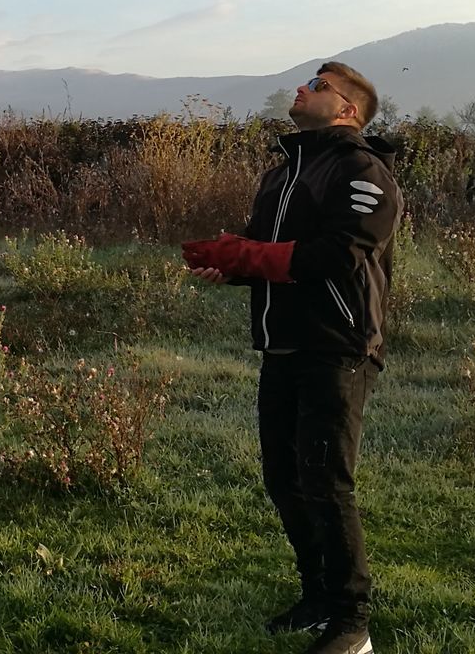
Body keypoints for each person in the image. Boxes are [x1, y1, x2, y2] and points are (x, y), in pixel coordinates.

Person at [181, 62, 401, 654]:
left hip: (338, 347)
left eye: (319, 86)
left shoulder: (364, 171)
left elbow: (339, 254)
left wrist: (246, 256)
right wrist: (225, 266)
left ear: (349, 110)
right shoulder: (280, 175)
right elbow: (267, 255)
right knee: (285, 479)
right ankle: (317, 596)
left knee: (327, 482)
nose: (303, 89)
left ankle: (353, 625)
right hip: (281, 346)